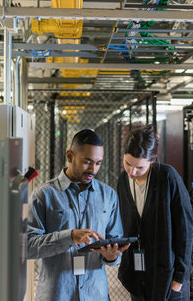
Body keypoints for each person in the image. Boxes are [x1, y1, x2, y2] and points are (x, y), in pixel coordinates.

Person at [28, 129, 128, 301]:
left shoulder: (109, 195)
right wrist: (70, 236)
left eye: (98, 163)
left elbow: (115, 240)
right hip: (56, 294)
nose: (93, 169)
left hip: (95, 293)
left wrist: (112, 257)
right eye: (87, 162)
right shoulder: (43, 195)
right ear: (70, 156)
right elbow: (28, 246)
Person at [117, 125, 193, 301]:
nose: (132, 172)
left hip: (168, 278)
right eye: (128, 163)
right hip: (137, 276)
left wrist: (179, 278)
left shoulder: (167, 177)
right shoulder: (123, 180)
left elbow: (185, 229)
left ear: (152, 161)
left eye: (140, 167)